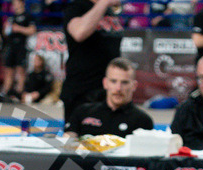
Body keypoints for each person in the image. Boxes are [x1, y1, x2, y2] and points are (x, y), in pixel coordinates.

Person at [62, 0, 123, 133]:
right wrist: (103, 3)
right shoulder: (77, 7)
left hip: (107, 89)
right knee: (78, 143)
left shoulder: (109, 11)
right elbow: (79, 33)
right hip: (83, 89)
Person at [66, 57, 153, 137]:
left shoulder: (143, 121)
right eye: (113, 81)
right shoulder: (82, 112)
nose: (118, 88)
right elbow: (66, 144)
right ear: (105, 83)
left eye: (124, 82)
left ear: (134, 86)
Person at [0, 0, 34, 101]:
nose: (15, 5)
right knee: (9, 70)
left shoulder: (28, 16)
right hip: (11, 46)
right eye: (14, 3)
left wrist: (19, 29)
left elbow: (32, 30)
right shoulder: (11, 18)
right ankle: (6, 93)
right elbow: (6, 33)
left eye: (17, 3)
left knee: (20, 71)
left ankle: (19, 94)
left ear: (22, 3)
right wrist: (5, 30)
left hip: (21, 46)